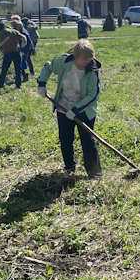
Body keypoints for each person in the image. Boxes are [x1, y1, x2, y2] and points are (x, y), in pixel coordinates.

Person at [37, 39, 102, 179]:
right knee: (65, 139)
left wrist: (76, 110)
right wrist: (42, 83)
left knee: (88, 141)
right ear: (75, 56)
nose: (87, 62)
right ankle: (69, 168)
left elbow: (93, 94)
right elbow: (48, 66)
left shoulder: (93, 70)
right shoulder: (64, 62)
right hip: (63, 107)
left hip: (84, 111)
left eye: (89, 59)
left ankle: (94, 173)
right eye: (83, 59)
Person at [0, 22, 26, 89]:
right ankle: (18, 85)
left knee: (4, 69)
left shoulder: (1, 33)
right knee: (18, 69)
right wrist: (22, 46)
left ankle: (0, 84)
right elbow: (24, 37)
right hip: (16, 52)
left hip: (7, 53)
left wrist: (2, 51)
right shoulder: (14, 31)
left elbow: (0, 45)